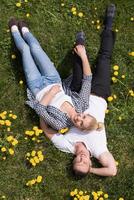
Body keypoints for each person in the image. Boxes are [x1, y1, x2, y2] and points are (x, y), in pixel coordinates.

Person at [40, 4, 117, 177]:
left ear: (73, 161)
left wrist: (42, 111)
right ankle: (109, 24)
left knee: (78, 68)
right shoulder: (98, 149)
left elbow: (47, 130)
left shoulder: (69, 145)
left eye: (78, 161)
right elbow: (112, 170)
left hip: (77, 92)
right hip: (100, 93)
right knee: (104, 58)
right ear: (90, 162)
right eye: (85, 162)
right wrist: (90, 170)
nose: (81, 159)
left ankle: (79, 43)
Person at [9, 19, 101, 132]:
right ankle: (25, 31)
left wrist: (51, 93)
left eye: (81, 124)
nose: (79, 119)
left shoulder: (60, 124)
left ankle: (14, 31)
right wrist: (83, 56)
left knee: (26, 50)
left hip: (37, 88)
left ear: (79, 129)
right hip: (53, 79)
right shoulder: (82, 104)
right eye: (84, 117)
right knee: (36, 49)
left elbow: (40, 110)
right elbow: (87, 80)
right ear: (86, 114)